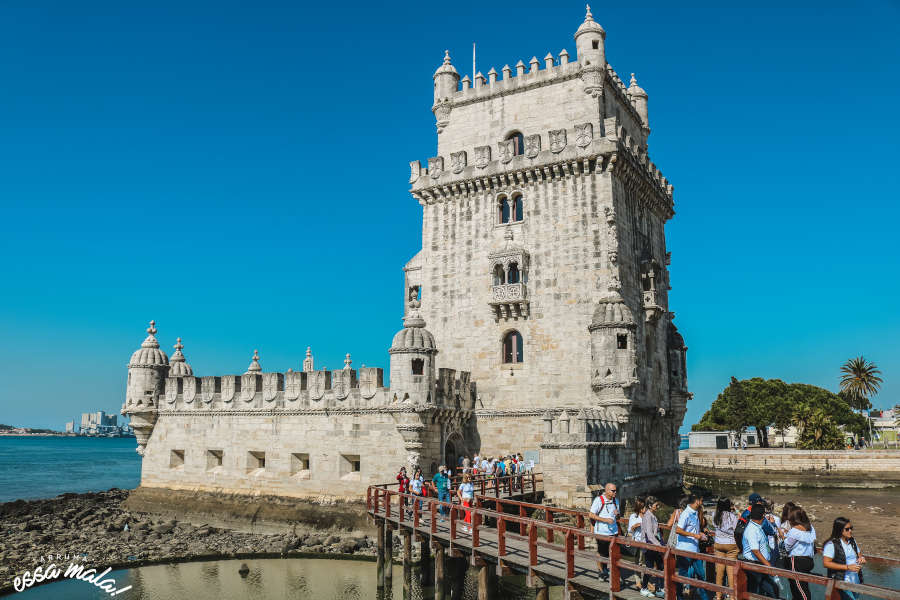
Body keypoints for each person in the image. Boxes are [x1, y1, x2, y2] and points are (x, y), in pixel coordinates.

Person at [674, 495, 709, 600]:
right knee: (683, 575)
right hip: (684, 550)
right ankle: (679, 597)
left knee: (701, 575)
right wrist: (695, 535)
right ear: (697, 501)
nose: (703, 502)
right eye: (702, 500)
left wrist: (700, 534)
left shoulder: (696, 513)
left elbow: (692, 529)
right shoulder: (686, 514)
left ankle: (704, 598)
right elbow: (678, 530)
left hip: (695, 549)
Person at [741, 503, 779, 598]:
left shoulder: (758, 526)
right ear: (763, 515)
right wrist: (769, 565)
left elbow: (772, 532)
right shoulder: (752, 530)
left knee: (765, 591)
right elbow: (755, 551)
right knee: (767, 590)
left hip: (760, 563)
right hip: (754, 565)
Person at [823, 517, 866, 600]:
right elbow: (826, 563)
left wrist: (862, 559)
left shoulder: (852, 541)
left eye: (851, 528)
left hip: (856, 581)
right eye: (847, 529)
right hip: (842, 582)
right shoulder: (831, 544)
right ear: (839, 530)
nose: (850, 531)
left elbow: (859, 555)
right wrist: (847, 567)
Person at [588, 482, 620, 582]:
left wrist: (617, 514)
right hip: (602, 532)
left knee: (613, 553)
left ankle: (609, 571)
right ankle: (601, 571)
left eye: (615, 490)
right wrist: (605, 520)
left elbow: (617, 517)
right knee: (602, 553)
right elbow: (591, 515)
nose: (615, 492)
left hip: (613, 531)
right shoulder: (599, 500)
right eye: (613, 490)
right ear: (606, 491)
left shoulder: (616, 501)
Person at [784, 508, 816, 600]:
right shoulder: (811, 528)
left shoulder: (794, 531)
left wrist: (784, 537)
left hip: (797, 561)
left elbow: (787, 547)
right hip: (809, 561)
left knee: (800, 589)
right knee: (800, 587)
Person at [713, 498, 739, 600]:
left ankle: (718, 596)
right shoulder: (732, 517)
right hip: (731, 545)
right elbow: (736, 531)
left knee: (719, 572)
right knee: (731, 573)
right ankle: (732, 597)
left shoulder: (715, 515)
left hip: (719, 544)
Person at [640, 496, 666, 598]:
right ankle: (644, 588)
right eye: (656, 505)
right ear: (650, 505)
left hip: (654, 545)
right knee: (649, 568)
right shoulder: (647, 516)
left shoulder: (653, 516)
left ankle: (659, 589)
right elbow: (649, 535)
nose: (658, 506)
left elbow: (655, 533)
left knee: (660, 566)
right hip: (649, 546)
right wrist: (659, 545)